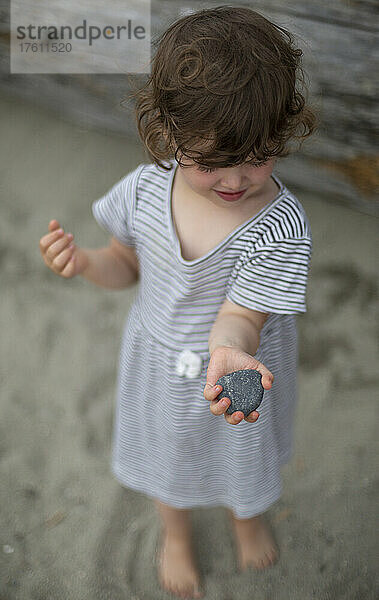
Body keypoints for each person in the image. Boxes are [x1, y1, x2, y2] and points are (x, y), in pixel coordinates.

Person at [39, 6, 317, 599]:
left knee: (242, 451)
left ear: (281, 132)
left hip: (239, 364)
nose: (236, 180)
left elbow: (242, 315)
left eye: (257, 155)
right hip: (160, 364)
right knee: (171, 459)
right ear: (168, 133)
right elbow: (127, 265)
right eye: (211, 161)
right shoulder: (143, 191)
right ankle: (178, 537)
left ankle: (246, 519)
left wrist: (231, 355)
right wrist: (87, 262)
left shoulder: (280, 226)